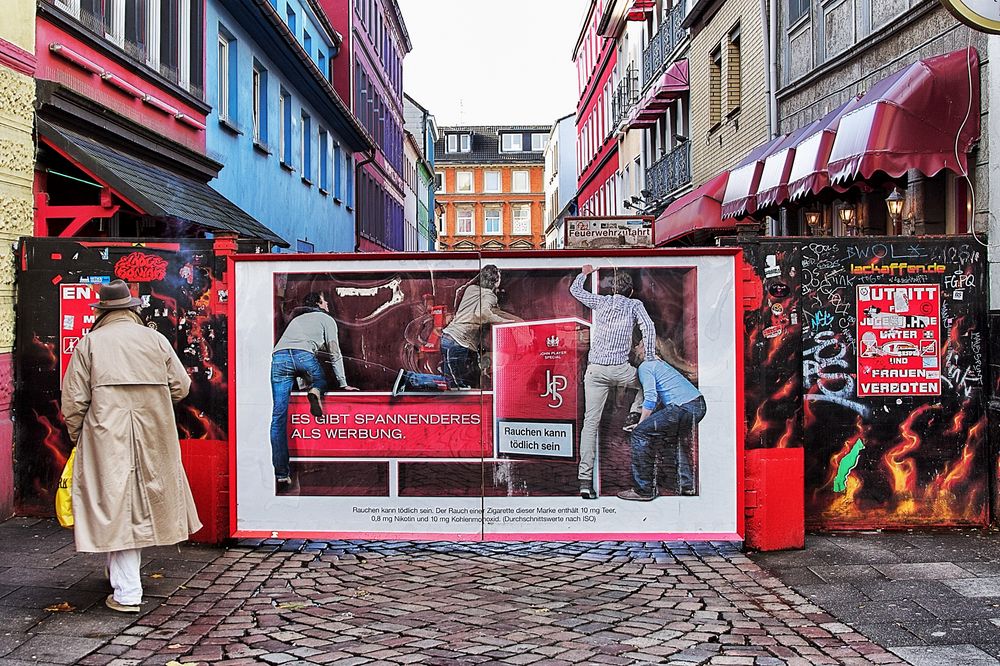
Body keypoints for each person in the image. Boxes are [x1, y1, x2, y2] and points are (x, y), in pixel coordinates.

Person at [61, 280, 202, 613]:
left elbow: (74, 401)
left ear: (101, 312)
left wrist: (76, 435)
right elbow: (181, 386)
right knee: (143, 499)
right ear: (133, 309)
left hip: (104, 432)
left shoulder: (90, 344)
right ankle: (119, 575)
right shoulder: (156, 340)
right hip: (155, 431)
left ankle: (127, 591)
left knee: (114, 500)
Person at [570, 265, 655, 500]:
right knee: (647, 385)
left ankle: (585, 482)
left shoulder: (602, 302)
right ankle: (634, 413)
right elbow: (648, 327)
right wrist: (649, 358)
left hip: (595, 370)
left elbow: (576, 290)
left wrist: (584, 272)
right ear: (630, 291)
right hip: (620, 369)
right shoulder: (634, 304)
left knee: (590, 424)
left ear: (613, 289)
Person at [270, 291, 357, 485]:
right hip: (304, 355)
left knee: (278, 418)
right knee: (320, 380)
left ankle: (282, 474)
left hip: (279, 357)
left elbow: (293, 360)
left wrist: (301, 385)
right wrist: (343, 383)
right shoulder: (326, 319)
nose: (329, 303)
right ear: (319, 302)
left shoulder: (298, 320)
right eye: (326, 300)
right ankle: (316, 390)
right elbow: (334, 352)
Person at [617, 339, 706, 501]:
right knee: (673, 439)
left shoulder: (646, 366)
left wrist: (641, 425)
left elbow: (651, 398)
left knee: (639, 434)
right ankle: (687, 485)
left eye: (638, 344)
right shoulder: (660, 365)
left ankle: (644, 489)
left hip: (682, 407)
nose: (635, 347)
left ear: (645, 349)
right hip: (698, 405)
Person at [440, 265, 520, 389]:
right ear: (496, 280)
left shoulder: (471, 289)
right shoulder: (490, 295)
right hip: (460, 341)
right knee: (463, 386)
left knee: (449, 382)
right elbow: (482, 313)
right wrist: (506, 322)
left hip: (447, 337)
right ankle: (410, 377)